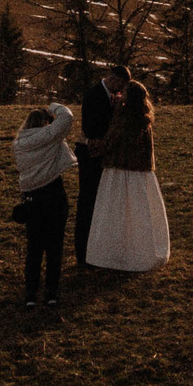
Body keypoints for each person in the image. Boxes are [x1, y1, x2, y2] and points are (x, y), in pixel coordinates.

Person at [80, 76, 170, 272]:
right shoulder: (143, 117)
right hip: (140, 171)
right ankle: (141, 250)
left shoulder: (124, 117)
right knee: (139, 212)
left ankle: (115, 253)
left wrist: (89, 144)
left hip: (119, 169)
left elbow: (110, 141)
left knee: (116, 212)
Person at [11, 103, 75, 310]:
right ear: (46, 123)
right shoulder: (49, 136)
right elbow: (67, 117)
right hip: (53, 193)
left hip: (31, 197)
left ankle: (31, 293)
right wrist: (53, 107)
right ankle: (51, 293)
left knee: (34, 248)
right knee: (54, 247)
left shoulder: (18, 143)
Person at [74, 69, 125, 267]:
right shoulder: (95, 95)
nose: (120, 90)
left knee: (94, 202)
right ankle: (84, 252)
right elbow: (92, 127)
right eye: (120, 85)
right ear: (113, 79)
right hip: (91, 156)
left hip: (96, 155)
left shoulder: (104, 94)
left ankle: (91, 250)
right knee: (88, 201)